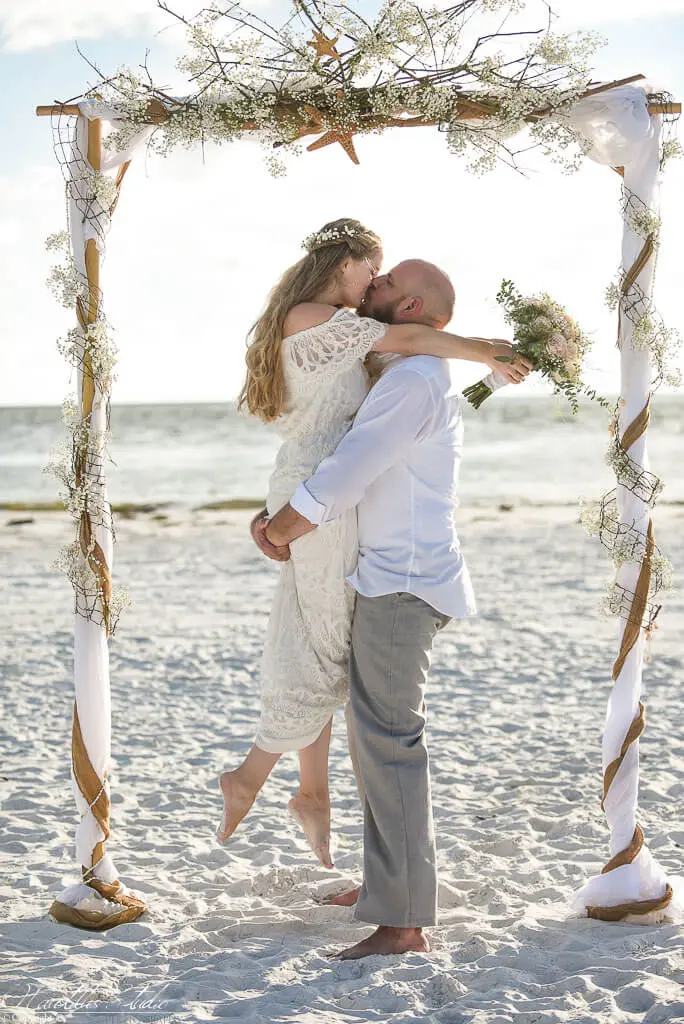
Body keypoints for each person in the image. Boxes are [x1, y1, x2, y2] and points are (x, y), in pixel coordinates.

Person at [217, 217, 531, 871]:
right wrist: (482, 346)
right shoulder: (316, 316)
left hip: (317, 494)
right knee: (326, 646)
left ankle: (308, 792)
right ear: (345, 262)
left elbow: (425, 411)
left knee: (317, 637)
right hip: (317, 495)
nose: (374, 281)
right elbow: (413, 346)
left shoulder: (360, 344)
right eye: (373, 268)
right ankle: (262, 779)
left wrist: (492, 379)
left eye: (385, 276)